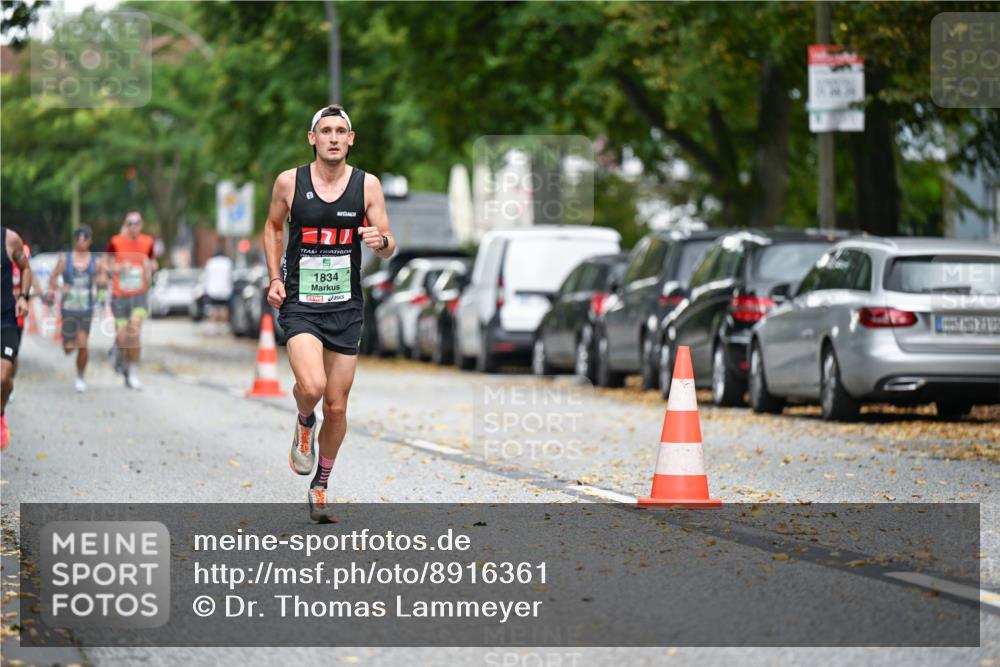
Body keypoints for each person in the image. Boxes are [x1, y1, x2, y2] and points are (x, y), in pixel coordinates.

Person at [264, 103, 395, 522]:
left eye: (341, 131)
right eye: (326, 131)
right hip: (301, 302)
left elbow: (389, 241)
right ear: (313, 138)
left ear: (351, 139)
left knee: (337, 407)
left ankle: (320, 484)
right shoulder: (289, 182)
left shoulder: (367, 186)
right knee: (314, 385)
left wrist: (381, 241)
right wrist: (274, 277)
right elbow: (272, 227)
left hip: (346, 305)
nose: (334, 138)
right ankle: (304, 421)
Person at [104, 211, 156, 390]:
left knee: (134, 331)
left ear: (141, 225)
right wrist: (118, 267)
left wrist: (152, 266)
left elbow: (153, 262)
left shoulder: (148, 242)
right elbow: (105, 264)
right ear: (126, 225)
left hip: (139, 295)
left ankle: (133, 372)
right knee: (122, 337)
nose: (133, 226)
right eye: (130, 223)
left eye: (137, 223)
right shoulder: (115, 242)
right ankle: (122, 359)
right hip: (120, 296)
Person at [49, 226, 101, 392]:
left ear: (90, 240)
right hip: (68, 309)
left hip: (86, 309)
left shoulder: (95, 261)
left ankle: (80, 376)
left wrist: (102, 283)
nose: (81, 241)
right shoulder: (65, 259)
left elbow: (103, 278)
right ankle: (67, 343)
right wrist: (60, 287)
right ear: (75, 240)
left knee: (83, 344)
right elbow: (52, 279)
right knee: (69, 348)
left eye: (85, 238)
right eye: (78, 238)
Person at [1, 226, 34, 449]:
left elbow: (26, 269)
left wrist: (23, 297)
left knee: (3, 379)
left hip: (5, 319)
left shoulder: (9, 239)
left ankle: (0, 413)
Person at [203, 244, 234, 334]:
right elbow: (230, 276)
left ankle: (213, 327)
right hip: (225, 289)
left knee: (213, 308)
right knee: (225, 308)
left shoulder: (211, 262)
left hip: (213, 289)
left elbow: (207, 276)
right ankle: (224, 326)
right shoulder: (227, 262)